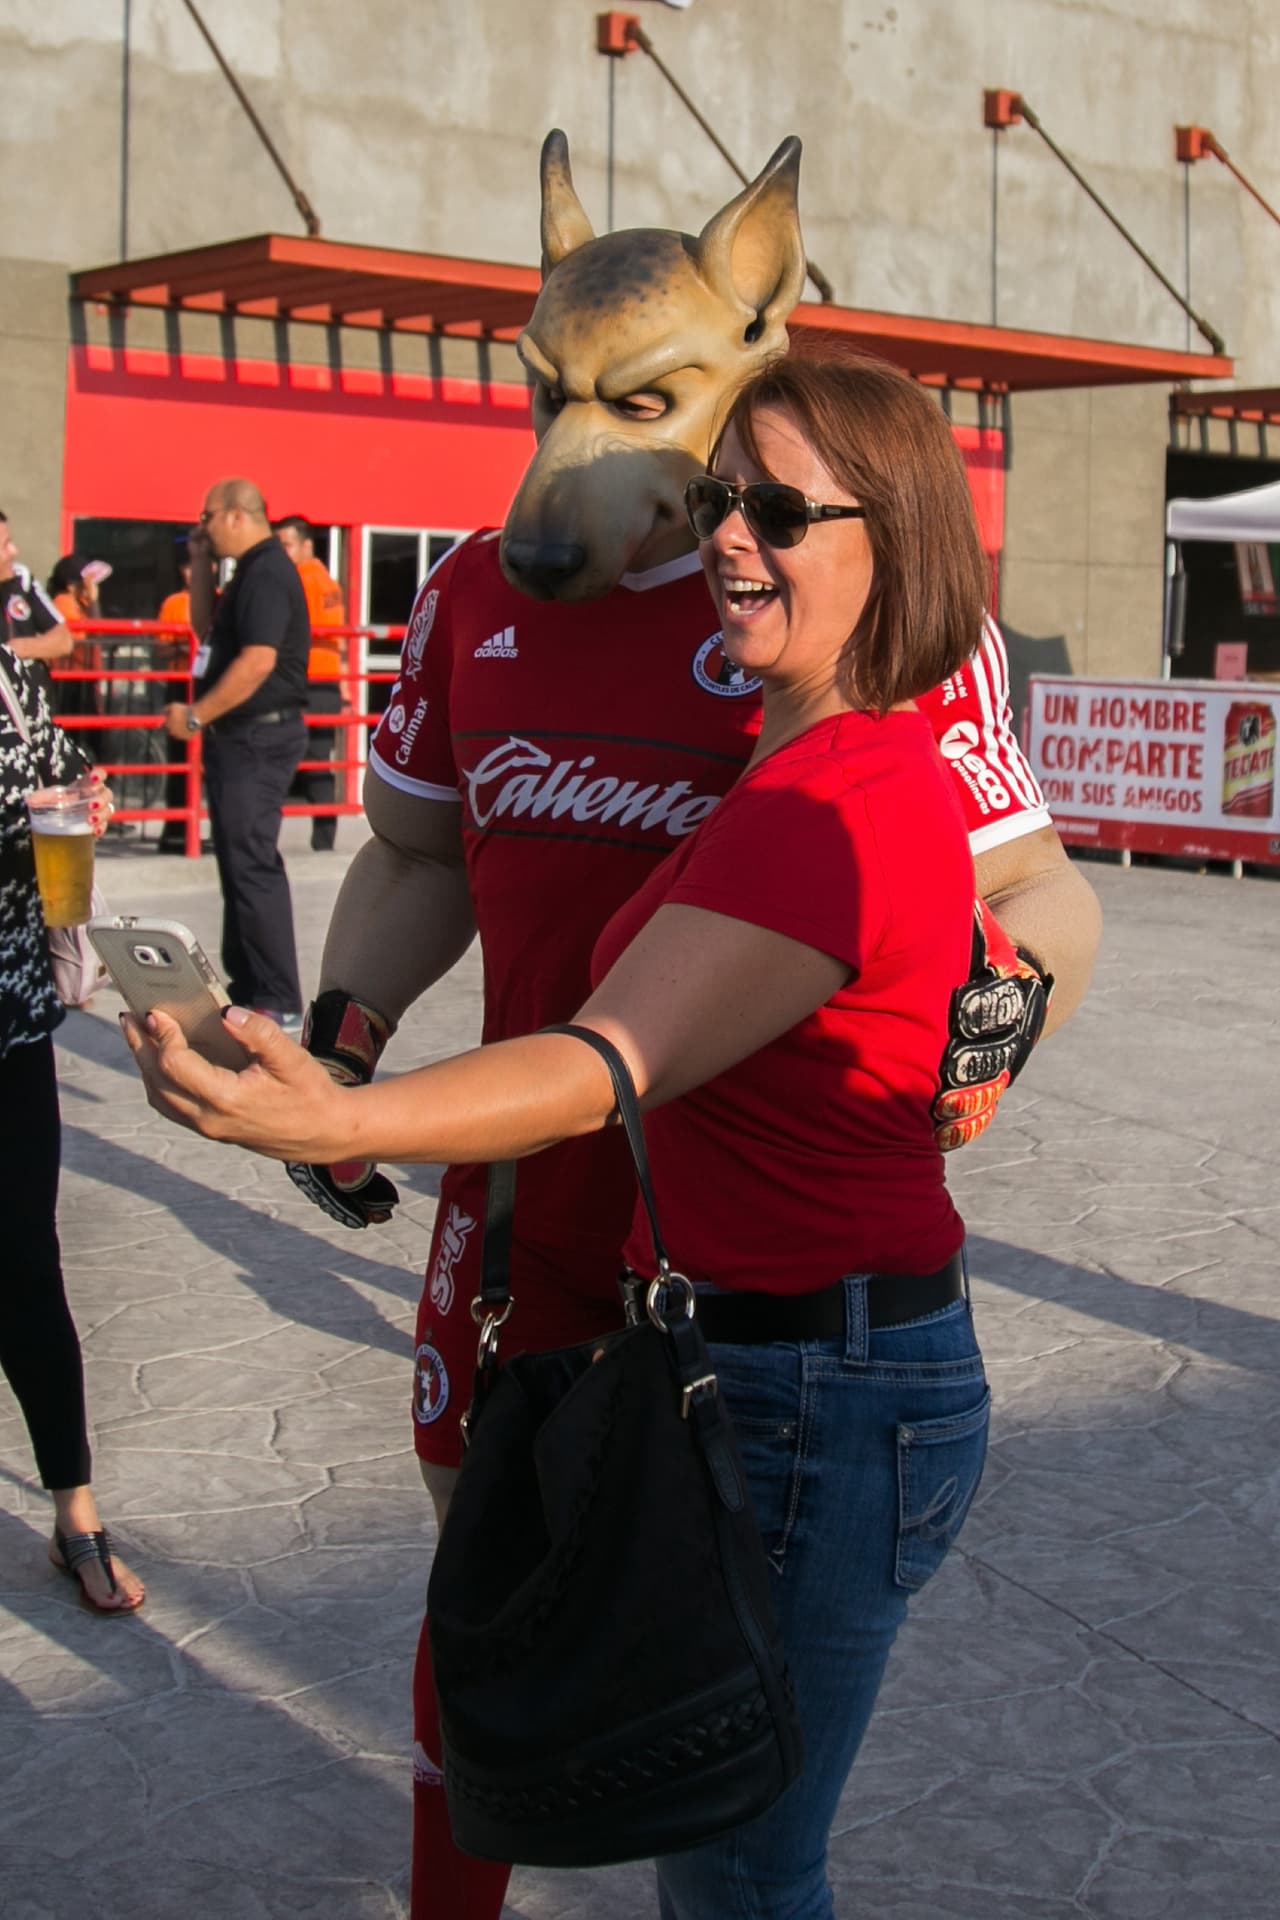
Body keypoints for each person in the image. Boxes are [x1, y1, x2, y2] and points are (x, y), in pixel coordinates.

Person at [287, 132, 1100, 1920]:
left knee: (720, 1760)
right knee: (484, 1618)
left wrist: (1001, 1013)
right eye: (553, 396)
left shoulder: (857, 625)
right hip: (510, 1220)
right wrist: (347, 1030)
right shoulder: (468, 599)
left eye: (644, 397)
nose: (590, 450)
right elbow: (422, 849)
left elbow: (1038, 888)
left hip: (730, 1260)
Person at [127, 353, 998, 1912]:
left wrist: (336, 1115)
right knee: (675, 1798)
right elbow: (433, 868)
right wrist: (339, 1037)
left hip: (818, 1384)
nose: (730, 534)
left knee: (736, 1870)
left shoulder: (835, 799)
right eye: (727, 495)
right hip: (763, 1343)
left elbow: (608, 1061)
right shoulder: (780, 765)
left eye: (783, 509)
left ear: (902, 547)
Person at [0, 641, 144, 1615]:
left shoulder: (9, 678)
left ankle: (75, 1512)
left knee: (23, 1264)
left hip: (10, 1020)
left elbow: (57, 777)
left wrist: (81, 803)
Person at [163, 479, 309, 1027]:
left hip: (258, 736)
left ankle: (278, 994)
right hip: (242, 738)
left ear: (233, 515)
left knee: (252, 863)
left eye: (205, 519)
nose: (199, 528)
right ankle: (250, 983)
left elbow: (257, 661)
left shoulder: (269, 570)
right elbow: (206, 630)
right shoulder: (246, 571)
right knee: (237, 861)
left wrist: (198, 714)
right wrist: (200, 562)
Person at [273, 515, 346, 852]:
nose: (281, 553)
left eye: (286, 545)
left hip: (305, 680)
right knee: (320, 762)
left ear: (305, 545)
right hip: (325, 682)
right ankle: (324, 839)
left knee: (283, 758)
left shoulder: (300, 580)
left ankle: (266, 836)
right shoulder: (328, 582)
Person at [0, 511, 73, 708]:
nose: (14, 551)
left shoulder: (22, 579)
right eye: (5, 545)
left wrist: (17, 649)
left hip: (35, 711)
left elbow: (64, 640)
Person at [155, 552, 196, 854]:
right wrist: (183, 645)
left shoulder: (220, 599)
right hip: (180, 685)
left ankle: (196, 830)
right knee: (178, 759)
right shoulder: (174, 604)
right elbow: (161, 648)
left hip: (209, 687)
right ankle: (174, 833)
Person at [48, 554, 112, 720]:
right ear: (71, 586)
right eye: (86, 582)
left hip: (83, 681)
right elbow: (95, 634)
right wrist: (93, 600)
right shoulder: (63, 604)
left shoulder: (80, 605)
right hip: (71, 684)